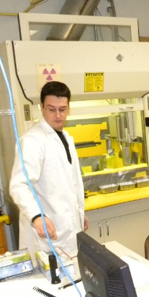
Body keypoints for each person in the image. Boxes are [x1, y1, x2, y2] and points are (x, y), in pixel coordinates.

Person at [10, 81, 88, 260]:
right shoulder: (32, 141)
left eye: (63, 109)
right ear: (42, 108)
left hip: (68, 227)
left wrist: (79, 213)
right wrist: (37, 217)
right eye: (52, 109)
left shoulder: (66, 137)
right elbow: (18, 185)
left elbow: (70, 182)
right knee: (53, 281)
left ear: (69, 109)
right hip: (47, 230)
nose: (58, 115)